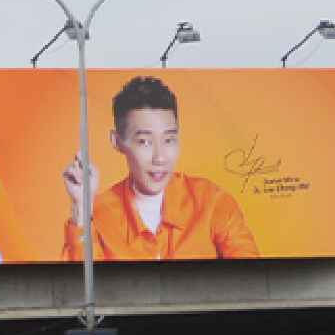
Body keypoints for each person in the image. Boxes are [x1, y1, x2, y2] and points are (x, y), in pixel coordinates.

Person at [62, 75, 259, 261]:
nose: (160, 158)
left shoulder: (212, 202)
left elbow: (251, 276)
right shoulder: (97, 215)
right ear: (117, 141)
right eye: (144, 141)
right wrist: (81, 209)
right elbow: (80, 282)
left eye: (169, 140)